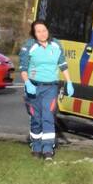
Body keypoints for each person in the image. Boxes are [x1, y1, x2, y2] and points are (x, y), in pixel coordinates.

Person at [19, 20, 74, 160]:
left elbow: (62, 64)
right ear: (34, 33)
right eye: (38, 31)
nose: (42, 34)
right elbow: (23, 69)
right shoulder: (28, 46)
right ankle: (36, 146)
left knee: (48, 116)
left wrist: (69, 81)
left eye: (44, 30)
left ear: (48, 30)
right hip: (34, 87)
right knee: (36, 118)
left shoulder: (56, 45)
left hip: (51, 87)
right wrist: (27, 83)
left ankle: (48, 148)